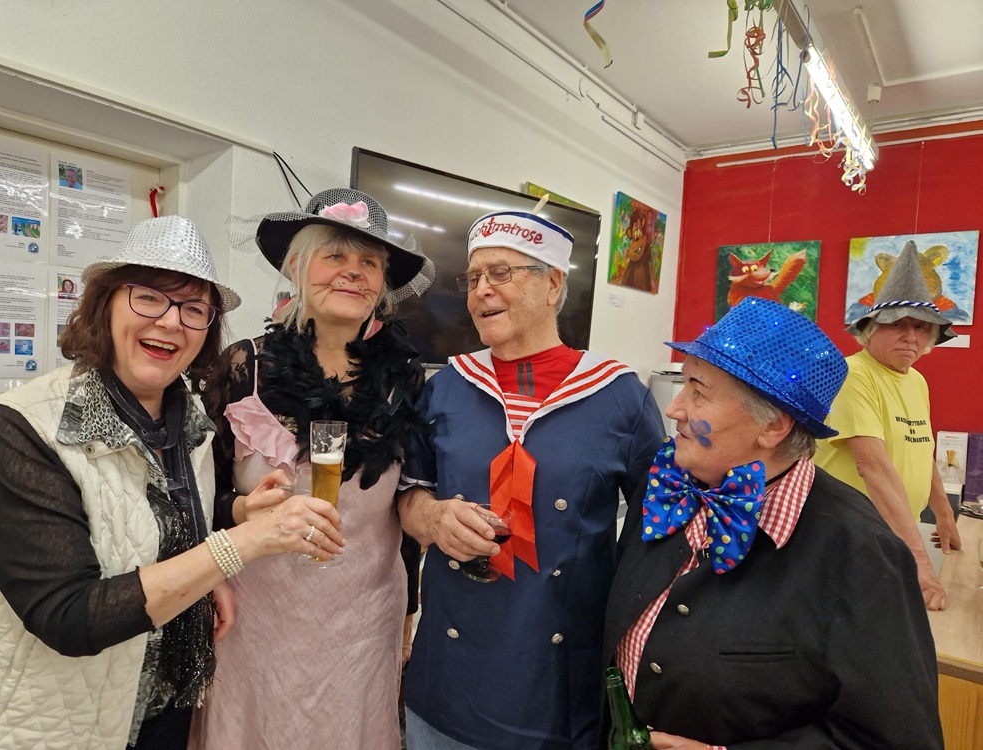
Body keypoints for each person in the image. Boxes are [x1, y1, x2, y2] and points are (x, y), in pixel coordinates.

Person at [0, 216, 342, 750]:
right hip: (65, 719)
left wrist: (236, 513)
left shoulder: (189, 420)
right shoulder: (22, 427)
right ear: (105, 305)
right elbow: (69, 617)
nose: (172, 321)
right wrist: (240, 545)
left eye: (194, 309)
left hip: (169, 704)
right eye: (149, 297)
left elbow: (151, 518)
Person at [603, 297, 943, 749]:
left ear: (773, 428)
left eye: (698, 390)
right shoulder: (664, 486)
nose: (675, 408)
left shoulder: (860, 553)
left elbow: (896, 740)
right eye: (683, 383)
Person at [399, 200, 666, 749]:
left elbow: (655, 535)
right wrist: (431, 516)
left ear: (552, 285)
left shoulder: (620, 398)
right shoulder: (445, 387)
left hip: (558, 690)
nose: (481, 290)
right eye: (473, 277)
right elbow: (408, 496)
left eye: (501, 273)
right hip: (446, 680)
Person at [189, 188, 434, 749]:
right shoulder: (243, 366)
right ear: (297, 267)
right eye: (335, 256)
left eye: (369, 262)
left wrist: (410, 610)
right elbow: (194, 494)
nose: (353, 273)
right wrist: (239, 509)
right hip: (255, 615)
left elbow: (407, 503)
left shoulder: (405, 378)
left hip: (363, 619)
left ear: (383, 283)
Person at [815, 239, 961, 611]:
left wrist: (944, 515)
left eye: (921, 327)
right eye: (898, 324)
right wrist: (919, 560)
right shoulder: (853, 374)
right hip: (846, 536)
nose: (911, 336)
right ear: (871, 330)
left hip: (891, 532)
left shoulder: (916, 381)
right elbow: (872, 464)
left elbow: (921, 450)